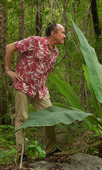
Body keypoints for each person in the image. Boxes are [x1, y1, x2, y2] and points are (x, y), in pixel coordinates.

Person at [5, 23, 66, 160]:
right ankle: (21, 155)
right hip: (23, 86)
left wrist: (42, 83)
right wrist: (8, 70)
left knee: (50, 116)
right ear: (52, 33)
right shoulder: (35, 41)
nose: (64, 36)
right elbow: (10, 47)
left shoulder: (55, 51)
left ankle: (51, 150)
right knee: (22, 118)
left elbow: (47, 70)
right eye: (62, 32)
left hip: (40, 90)